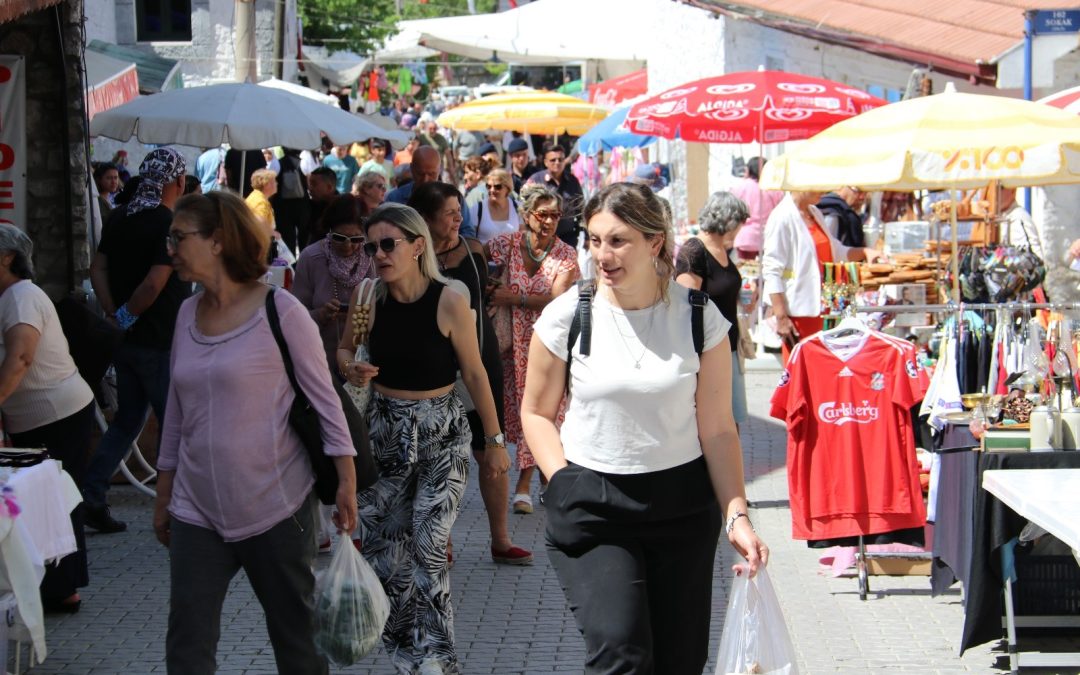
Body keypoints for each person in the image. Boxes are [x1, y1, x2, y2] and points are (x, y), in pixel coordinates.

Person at [520, 182, 768, 674]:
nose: (602, 255)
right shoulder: (567, 315)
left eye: (618, 241)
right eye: (593, 240)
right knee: (622, 654)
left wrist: (736, 513)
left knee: (679, 662)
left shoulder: (699, 319)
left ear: (655, 242)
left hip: (681, 507)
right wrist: (562, 478)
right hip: (594, 505)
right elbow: (535, 413)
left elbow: (718, 430)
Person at [156, 190, 357, 674]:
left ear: (219, 241)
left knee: (297, 645)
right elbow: (177, 413)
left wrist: (346, 483)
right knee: (187, 645)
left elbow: (328, 406)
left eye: (179, 237)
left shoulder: (282, 311)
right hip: (196, 509)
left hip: (277, 507)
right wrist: (164, 495)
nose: (171, 248)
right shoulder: (186, 313)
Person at [337, 203, 508, 674]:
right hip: (384, 431)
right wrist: (350, 365)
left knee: (430, 551)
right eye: (371, 246)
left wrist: (494, 442)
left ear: (417, 247)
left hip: (442, 435)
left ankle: (437, 662)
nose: (378, 254)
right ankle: (410, 658)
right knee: (385, 555)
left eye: (388, 244)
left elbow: (474, 372)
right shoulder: (368, 295)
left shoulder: (450, 298)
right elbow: (345, 348)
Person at [409, 182, 532, 566]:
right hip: (433, 367)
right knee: (435, 453)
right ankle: (440, 539)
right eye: (449, 212)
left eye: (458, 210)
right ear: (426, 220)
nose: (458, 217)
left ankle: (500, 539)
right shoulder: (410, 257)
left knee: (488, 447)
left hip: (479, 361)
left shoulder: (472, 249)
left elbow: (485, 297)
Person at [85, 147, 193, 533]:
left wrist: (115, 315)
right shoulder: (167, 223)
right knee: (174, 425)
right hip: (159, 340)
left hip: (127, 341)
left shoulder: (119, 218)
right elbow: (154, 283)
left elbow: (97, 267)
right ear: (177, 182)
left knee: (127, 420)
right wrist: (128, 316)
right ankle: (183, 509)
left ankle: (91, 493)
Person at [0, 224, 95, 613]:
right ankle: (55, 586)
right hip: (39, 415)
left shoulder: (22, 296)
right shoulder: (10, 297)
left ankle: (62, 588)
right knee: (47, 499)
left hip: (58, 413)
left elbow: (20, 359)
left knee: (56, 499)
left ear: (7, 258)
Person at [487, 184, 579, 515]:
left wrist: (512, 298)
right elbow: (475, 257)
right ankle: (547, 479)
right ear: (527, 216)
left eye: (556, 215)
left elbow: (557, 298)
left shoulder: (566, 255)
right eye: (543, 214)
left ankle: (523, 485)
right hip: (511, 347)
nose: (551, 221)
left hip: (549, 346)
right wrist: (487, 286)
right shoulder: (507, 244)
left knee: (542, 410)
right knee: (525, 412)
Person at [762, 191, 884, 363]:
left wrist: (865, 252)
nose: (824, 190)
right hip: (799, 315)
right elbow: (772, 270)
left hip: (824, 311)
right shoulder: (782, 216)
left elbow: (837, 250)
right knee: (802, 377)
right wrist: (781, 317)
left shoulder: (814, 212)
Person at [675, 191, 750, 428]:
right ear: (729, 221)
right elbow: (685, 302)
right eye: (740, 223)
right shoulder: (695, 250)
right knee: (716, 422)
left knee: (730, 419)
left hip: (729, 346)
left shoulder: (724, 251)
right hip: (707, 350)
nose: (741, 229)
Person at [292, 194, 375, 372]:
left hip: (365, 361)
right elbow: (294, 316)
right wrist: (320, 314)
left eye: (356, 239)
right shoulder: (311, 258)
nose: (347, 245)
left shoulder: (373, 256)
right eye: (340, 237)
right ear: (329, 231)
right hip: (319, 359)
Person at [526, 141, 584, 248]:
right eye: (553, 160)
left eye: (560, 159)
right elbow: (525, 207)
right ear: (545, 162)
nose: (557, 162)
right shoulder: (535, 180)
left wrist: (586, 235)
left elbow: (581, 209)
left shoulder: (573, 181)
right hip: (542, 239)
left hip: (568, 239)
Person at [731, 157, 784, 261]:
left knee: (746, 270)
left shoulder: (741, 187)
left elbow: (732, 207)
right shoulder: (773, 187)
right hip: (769, 236)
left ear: (749, 169)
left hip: (746, 237)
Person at [271, 148, 312, 255]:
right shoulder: (304, 162)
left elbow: (271, 181)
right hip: (302, 205)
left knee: (287, 240)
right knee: (304, 237)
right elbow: (310, 184)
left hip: (282, 206)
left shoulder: (276, 163)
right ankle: (304, 264)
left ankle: (290, 267)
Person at [466, 168, 520, 243]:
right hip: (484, 254)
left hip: (512, 254)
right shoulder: (477, 209)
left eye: (497, 187)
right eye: (488, 186)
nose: (492, 190)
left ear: (508, 189)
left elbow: (523, 237)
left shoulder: (518, 207)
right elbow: (469, 240)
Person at [304, 166, 339, 245]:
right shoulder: (311, 205)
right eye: (310, 184)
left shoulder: (343, 208)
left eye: (314, 184)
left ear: (329, 187)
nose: (310, 189)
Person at [245, 169, 278, 235]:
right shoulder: (261, 201)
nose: (277, 183)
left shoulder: (256, 196)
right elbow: (259, 222)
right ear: (266, 184)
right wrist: (274, 233)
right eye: (274, 181)